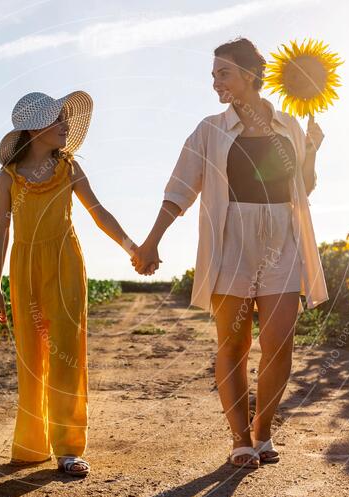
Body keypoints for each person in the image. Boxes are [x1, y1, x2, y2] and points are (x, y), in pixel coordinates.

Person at [132, 37, 329, 469]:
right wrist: (152, 240)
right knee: (234, 343)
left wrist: (312, 150)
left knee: (279, 345)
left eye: (223, 73)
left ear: (249, 76)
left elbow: (302, 187)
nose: (215, 82)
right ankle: (240, 438)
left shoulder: (289, 127)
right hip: (231, 242)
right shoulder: (210, 130)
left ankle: (264, 431)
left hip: (283, 239)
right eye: (213, 75)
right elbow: (180, 189)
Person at [0, 91, 138, 477]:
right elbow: (0, 233)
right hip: (24, 267)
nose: (67, 127)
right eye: (59, 121)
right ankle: (32, 444)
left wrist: (131, 246)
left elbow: (98, 211)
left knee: (67, 352)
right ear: (37, 128)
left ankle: (69, 448)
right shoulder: (6, 179)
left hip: (65, 262)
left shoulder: (68, 168)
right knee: (31, 356)